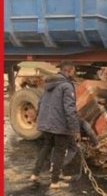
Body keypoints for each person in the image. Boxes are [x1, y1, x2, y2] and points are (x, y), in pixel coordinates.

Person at [30, 61, 79, 189]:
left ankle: (35, 174)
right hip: (59, 126)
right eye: (73, 71)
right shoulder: (67, 86)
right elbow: (70, 109)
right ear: (68, 70)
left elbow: (40, 104)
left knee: (46, 147)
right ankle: (55, 182)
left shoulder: (48, 85)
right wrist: (75, 129)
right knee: (59, 151)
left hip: (46, 124)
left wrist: (40, 120)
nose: (74, 74)